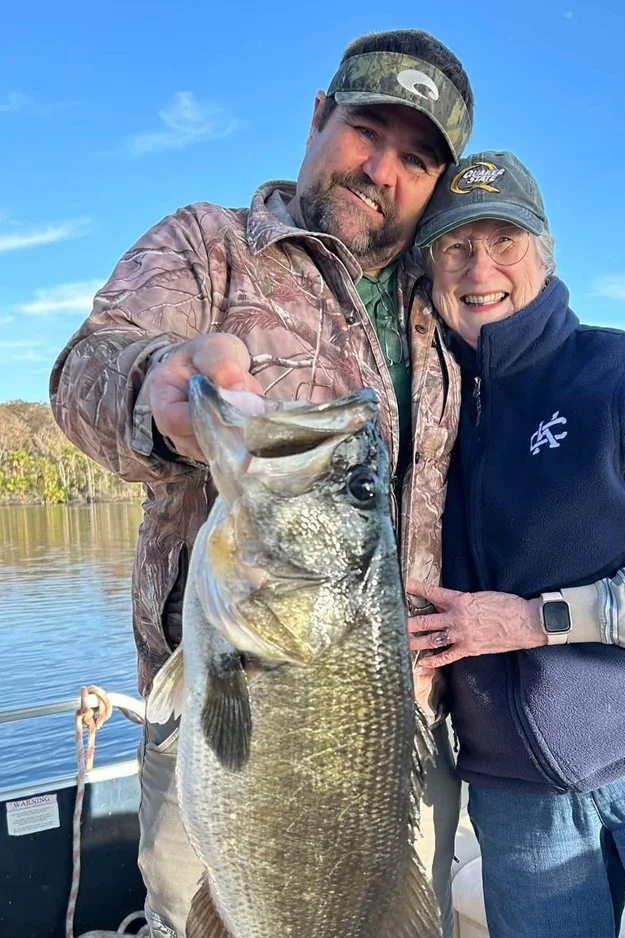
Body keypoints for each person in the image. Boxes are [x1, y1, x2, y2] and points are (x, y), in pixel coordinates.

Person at [50, 29, 474, 938]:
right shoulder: (212, 247)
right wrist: (152, 387)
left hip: (406, 736)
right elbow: (84, 367)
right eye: (368, 130)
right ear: (319, 117)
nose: (381, 170)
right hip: (229, 719)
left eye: (416, 159)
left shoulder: (446, 308)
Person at [407, 150, 625, 938]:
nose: (479, 267)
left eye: (504, 241)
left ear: (545, 251)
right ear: (430, 272)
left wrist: (535, 621)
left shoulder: (620, 375)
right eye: (456, 246)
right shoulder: (423, 414)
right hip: (516, 801)